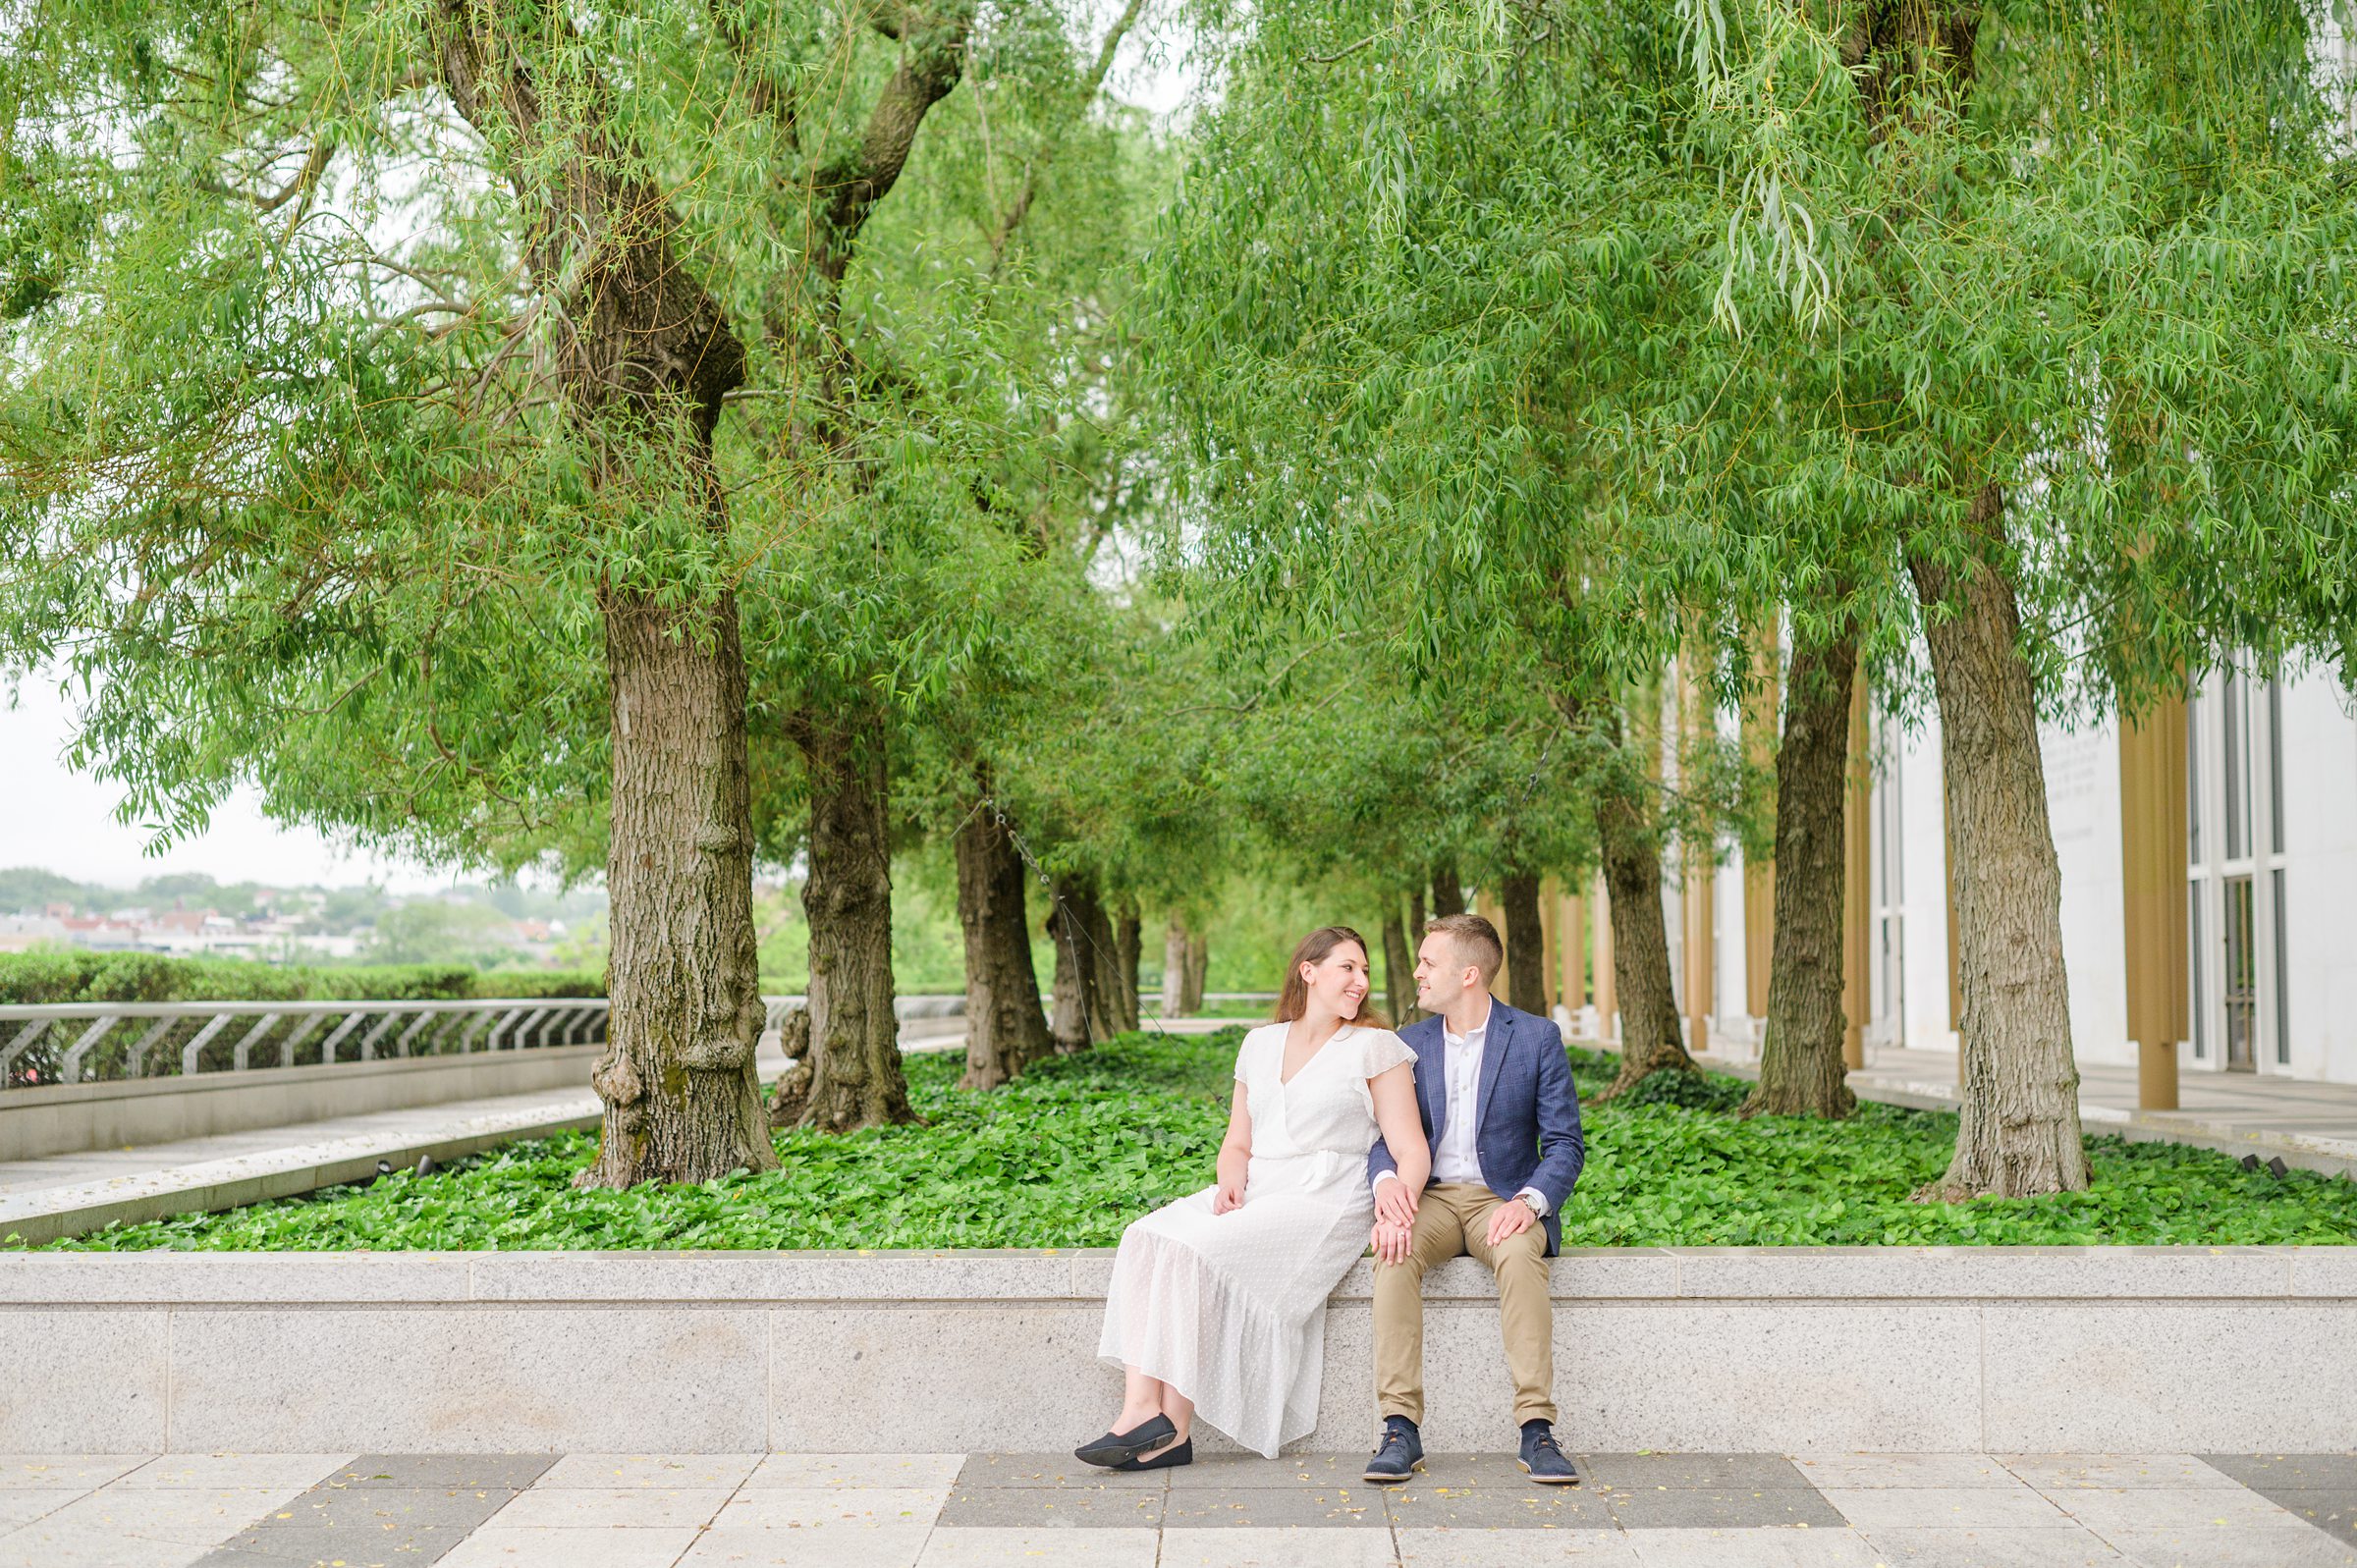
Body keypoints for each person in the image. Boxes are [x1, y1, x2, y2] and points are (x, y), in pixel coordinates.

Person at [1079, 926, 1431, 1467]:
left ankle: (1170, 1430)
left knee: (1195, 1252)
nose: (1361, 982)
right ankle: (1142, 1411)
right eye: (1348, 968)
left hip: (1326, 1196)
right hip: (1261, 1184)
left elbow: (1411, 1150)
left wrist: (1399, 1209)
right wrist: (1230, 1179)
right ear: (1307, 971)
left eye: (1365, 972)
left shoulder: (1374, 1047)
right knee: (1146, 1235)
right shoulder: (1259, 1044)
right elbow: (1237, 1142)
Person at [1363, 911, 1586, 1485]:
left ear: (1468, 974)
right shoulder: (1406, 1044)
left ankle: (1536, 1429)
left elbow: (1564, 1145)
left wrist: (1531, 1201)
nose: (1416, 972)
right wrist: (1389, 1188)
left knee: (1517, 1255)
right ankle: (1399, 1427)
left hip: (1502, 1199)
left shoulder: (1536, 1038)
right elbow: (1383, 1141)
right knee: (1394, 1252)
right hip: (1430, 1198)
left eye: (1427, 962)